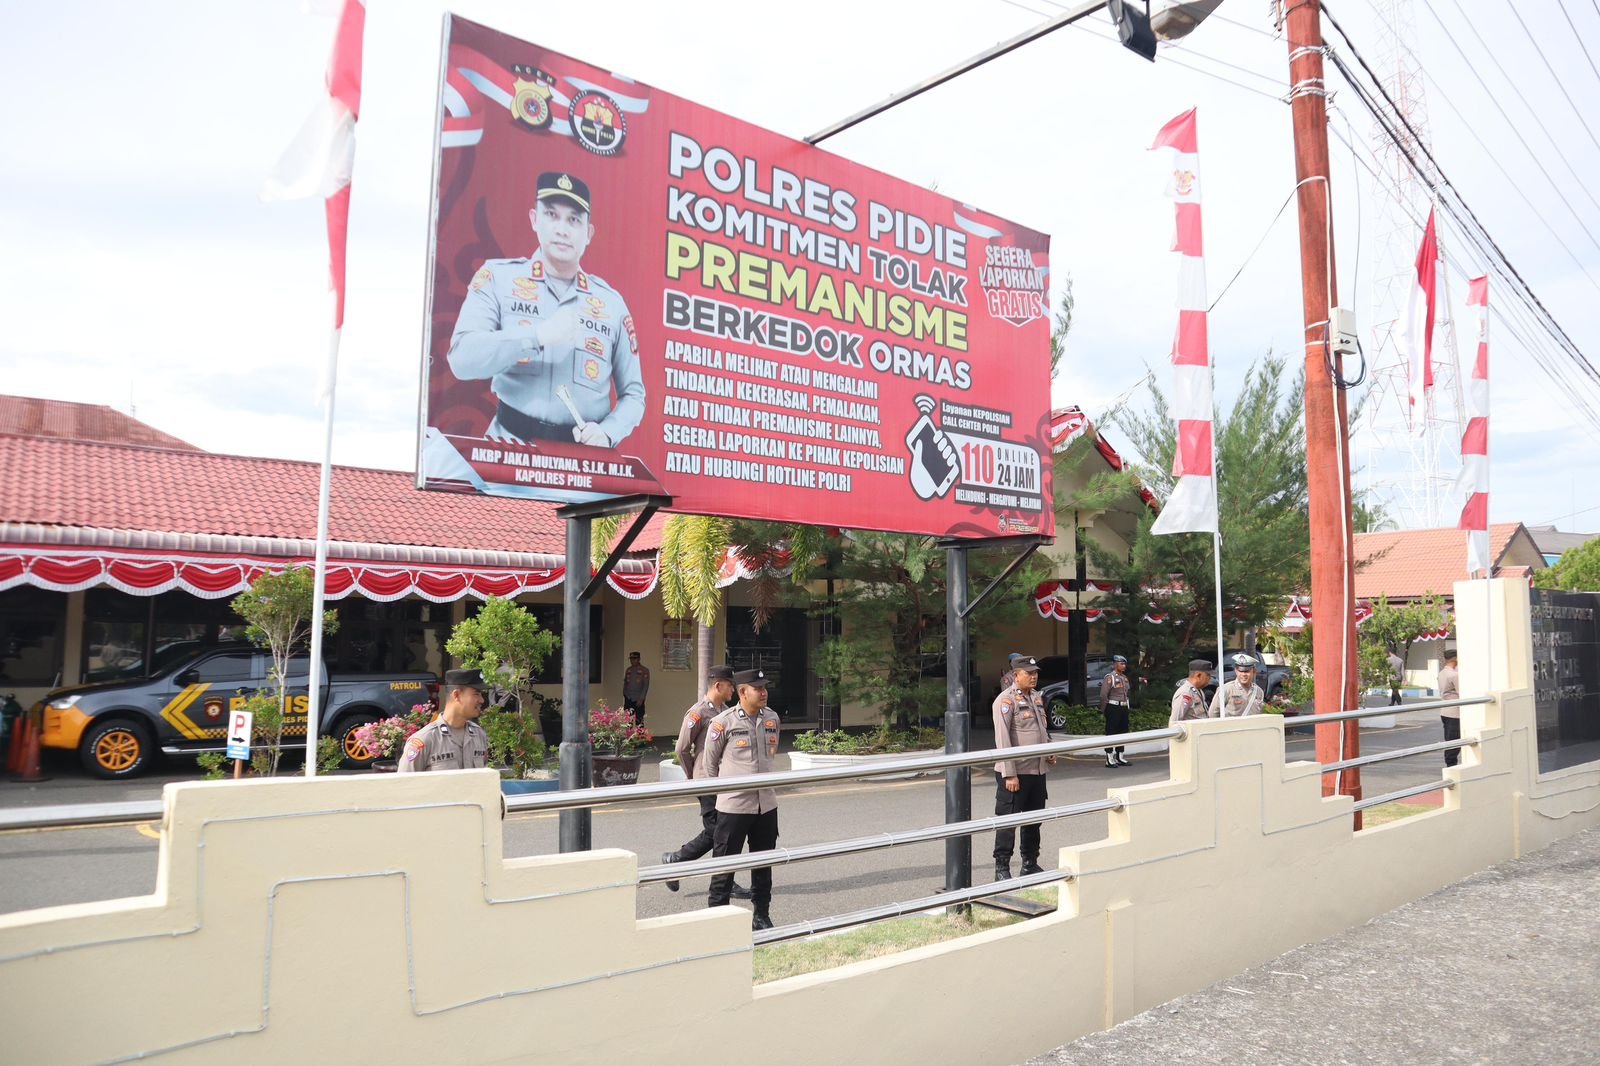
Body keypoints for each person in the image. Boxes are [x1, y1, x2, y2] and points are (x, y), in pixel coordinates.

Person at [447, 171, 644, 448]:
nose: (562, 230)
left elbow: (634, 395)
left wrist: (608, 432)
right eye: (552, 215)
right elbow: (461, 360)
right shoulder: (498, 278)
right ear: (534, 220)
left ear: (588, 233)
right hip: (508, 451)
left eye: (574, 220)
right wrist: (535, 336)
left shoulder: (611, 304)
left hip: (584, 461)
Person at [660, 665, 749, 899]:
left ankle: (679, 862)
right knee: (719, 831)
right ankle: (679, 861)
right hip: (707, 781)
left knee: (722, 832)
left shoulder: (726, 711)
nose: (733, 690)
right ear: (718, 685)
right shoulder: (698, 713)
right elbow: (682, 748)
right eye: (730, 686)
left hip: (723, 781)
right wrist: (694, 777)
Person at [704, 669, 783, 930]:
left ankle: (761, 914)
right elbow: (710, 765)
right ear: (742, 692)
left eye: (765, 687)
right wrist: (724, 794)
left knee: (763, 864)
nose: (763, 692)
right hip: (734, 806)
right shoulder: (723, 723)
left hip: (766, 805)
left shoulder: (772, 718)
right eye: (757, 688)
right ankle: (718, 920)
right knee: (725, 865)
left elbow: (771, 754)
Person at [991, 655, 1056, 881]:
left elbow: (1041, 728)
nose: (1034, 676)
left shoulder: (1036, 697)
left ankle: (1030, 863)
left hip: (1037, 770)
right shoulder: (1005, 701)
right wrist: (1009, 774)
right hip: (1015, 773)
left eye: (1035, 672)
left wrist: (1048, 750)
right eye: (1029, 673)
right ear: (1016, 675)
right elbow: (1002, 739)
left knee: (1033, 820)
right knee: (1008, 821)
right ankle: (1002, 868)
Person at [398, 668, 490, 772]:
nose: (482, 700)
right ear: (457, 695)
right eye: (476, 693)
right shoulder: (425, 740)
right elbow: (405, 780)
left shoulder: (479, 735)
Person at [1099, 655, 1133, 768]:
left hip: (1123, 707)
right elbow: (1103, 695)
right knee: (1111, 732)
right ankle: (1109, 758)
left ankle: (1120, 756)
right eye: (1121, 664)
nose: (1124, 666)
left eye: (1124, 664)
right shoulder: (1110, 677)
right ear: (1115, 664)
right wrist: (1104, 709)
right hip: (1113, 707)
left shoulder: (1124, 678)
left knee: (1122, 731)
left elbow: (1127, 694)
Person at [1209, 654, 1265, 718]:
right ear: (1236, 671)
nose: (1243, 674)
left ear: (1254, 671)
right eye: (1240, 671)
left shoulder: (1259, 691)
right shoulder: (1226, 689)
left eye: (1247, 671)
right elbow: (1213, 714)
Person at [1169, 660, 1213, 726]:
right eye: (1208, 675)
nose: (1210, 678)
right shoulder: (1185, 693)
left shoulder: (1198, 691)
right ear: (1198, 675)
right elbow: (1174, 721)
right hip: (1192, 732)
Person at [1438, 649, 1461, 768]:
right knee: (1455, 740)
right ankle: (1451, 766)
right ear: (1455, 658)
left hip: (1445, 710)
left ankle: (1450, 764)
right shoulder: (1454, 675)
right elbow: (1462, 692)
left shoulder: (1442, 673)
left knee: (1449, 739)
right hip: (1455, 712)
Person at [622, 651, 651, 724]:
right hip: (628, 698)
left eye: (634, 658)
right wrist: (625, 693)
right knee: (628, 721)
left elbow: (646, 685)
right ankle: (629, 732)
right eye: (631, 659)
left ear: (639, 659)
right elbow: (625, 683)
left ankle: (639, 732)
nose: (632, 660)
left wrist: (641, 698)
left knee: (639, 721)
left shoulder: (644, 670)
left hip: (638, 699)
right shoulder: (628, 670)